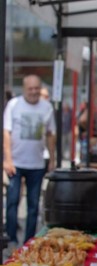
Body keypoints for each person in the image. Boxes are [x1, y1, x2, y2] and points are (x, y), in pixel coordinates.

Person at [3, 75, 56, 246]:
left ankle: (28, 241)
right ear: (24, 89)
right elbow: (6, 133)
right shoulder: (14, 105)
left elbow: (50, 135)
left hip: (37, 163)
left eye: (36, 88)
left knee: (33, 205)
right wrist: (7, 159)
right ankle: (11, 238)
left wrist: (52, 159)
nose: (33, 92)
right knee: (12, 202)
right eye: (30, 88)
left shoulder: (46, 107)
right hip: (16, 162)